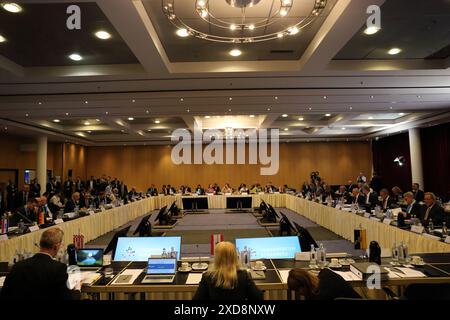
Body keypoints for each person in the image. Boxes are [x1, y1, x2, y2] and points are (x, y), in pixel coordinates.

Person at [0, 228, 81, 300]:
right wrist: (78, 289)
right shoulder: (59, 269)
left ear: (41, 244)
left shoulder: (18, 266)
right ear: (56, 247)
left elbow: (4, 294)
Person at [193, 242, 262, 300]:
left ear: (216, 258)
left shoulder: (207, 276)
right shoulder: (244, 275)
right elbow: (258, 297)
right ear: (235, 256)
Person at [287, 268, 360, 300]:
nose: (298, 293)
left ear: (303, 286)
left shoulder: (320, 296)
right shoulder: (326, 272)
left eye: (297, 290)